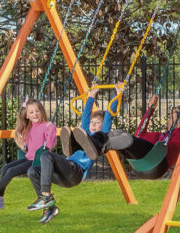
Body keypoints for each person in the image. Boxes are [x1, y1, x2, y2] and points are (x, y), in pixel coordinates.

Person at [25, 86, 121, 224]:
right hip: (66, 170)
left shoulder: (103, 135)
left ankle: (45, 197)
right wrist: (92, 95)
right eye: (92, 122)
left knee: (46, 155)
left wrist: (118, 95)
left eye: (97, 123)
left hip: (76, 173)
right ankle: (49, 208)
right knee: (32, 171)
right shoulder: (85, 133)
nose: (93, 125)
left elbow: (109, 116)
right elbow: (86, 115)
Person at [0, 98, 56, 209]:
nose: (35, 114)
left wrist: (50, 130)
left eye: (37, 111)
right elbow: (26, 147)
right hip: (29, 158)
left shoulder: (47, 126)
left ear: (42, 111)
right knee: (5, 168)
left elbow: (50, 144)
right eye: (31, 112)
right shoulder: (28, 128)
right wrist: (22, 137)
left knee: (11, 171)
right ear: (27, 116)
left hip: (38, 160)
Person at [107, 84, 180, 179]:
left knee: (127, 139)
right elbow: (139, 135)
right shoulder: (160, 136)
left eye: (171, 116)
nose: (168, 120)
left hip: (157, 164)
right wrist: (150, 109)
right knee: (119, 134)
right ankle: (101, 142)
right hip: (139, 166)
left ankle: (102, 142)